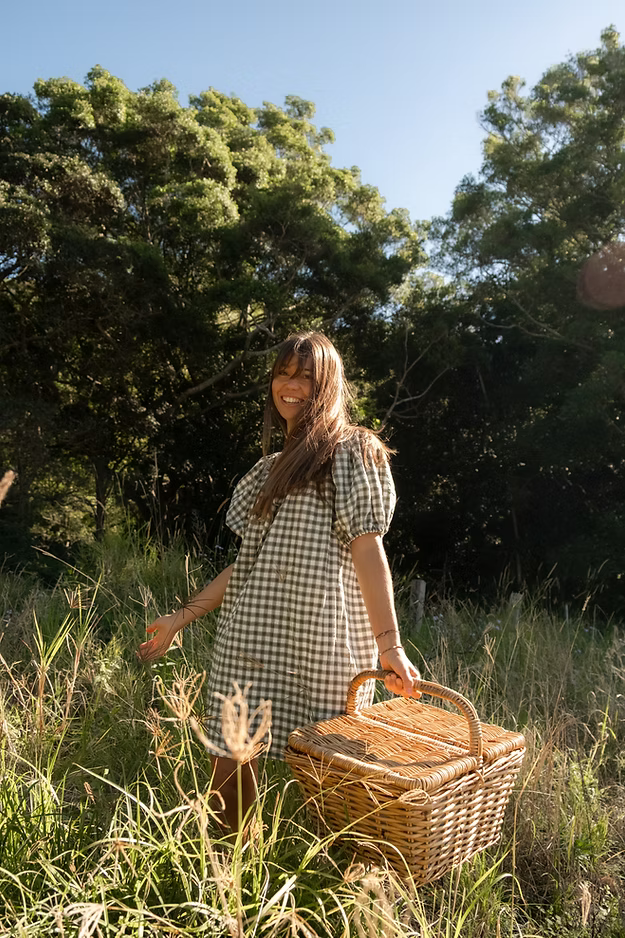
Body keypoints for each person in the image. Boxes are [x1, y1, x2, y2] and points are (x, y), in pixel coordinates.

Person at [137, 331, 421, 833]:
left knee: (334, 773)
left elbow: (367, 546)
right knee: (230, 761)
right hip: (249, 639)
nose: (290, 385)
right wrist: (180, 618)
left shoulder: (352, 451)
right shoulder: (270, 470)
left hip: (322, 645)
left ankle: (331, 881)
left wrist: (389, 644)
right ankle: (231, 873)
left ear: (327, 385)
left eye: (305, 376)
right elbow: (248, 565)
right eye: (283, 373)